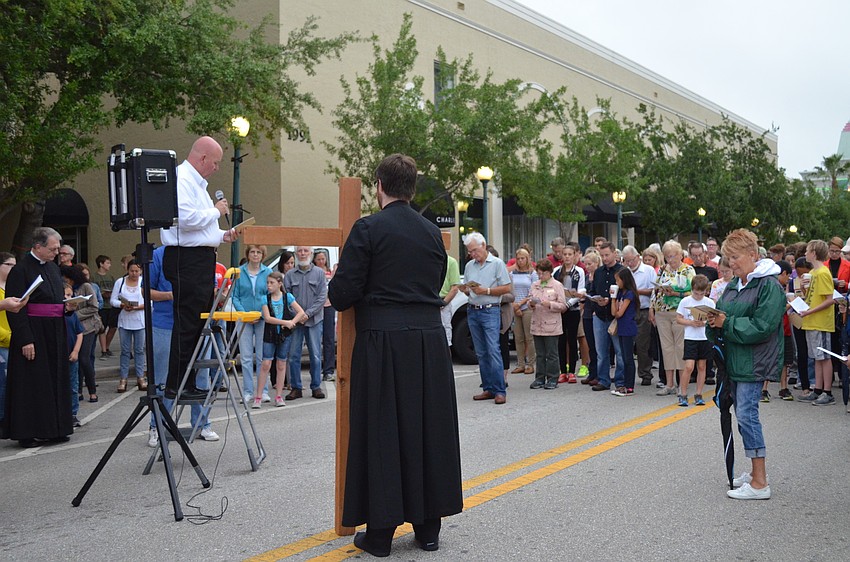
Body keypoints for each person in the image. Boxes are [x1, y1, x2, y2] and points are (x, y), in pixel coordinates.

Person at [328, 153, 462, 557]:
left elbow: (341, 294)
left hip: (383, 341)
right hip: (428, 341)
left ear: (379, 186)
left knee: (382, 429)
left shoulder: (367, 228)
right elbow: (436, 281)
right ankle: (428, 530)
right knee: (427, 430)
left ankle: (381, 534)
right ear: (413, 188)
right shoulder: (431, 233)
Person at [707, 229, 783, 500]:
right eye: (728, 258)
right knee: (743, 417)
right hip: (736, 361)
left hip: (754, 362)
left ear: (753, 255)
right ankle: (754, 473)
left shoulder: (769, 286)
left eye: (735, 257)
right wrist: (712, 320)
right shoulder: (734, 285)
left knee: (748, 417)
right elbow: (723, 313)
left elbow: (763, 326)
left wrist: (725, 322)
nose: (731, 263)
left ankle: (761, 483)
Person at [160, 136, 237, 401]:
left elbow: (200, 230)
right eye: (215, 163)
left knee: (196, 324)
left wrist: (222, 235)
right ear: (202, 158)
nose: (216, 168)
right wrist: (216, 211)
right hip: (186, 259)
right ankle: (178, 383)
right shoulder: (182, 178)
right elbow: (186, 219)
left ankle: (187, 380)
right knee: (188, 324)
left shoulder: (197, 184)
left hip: (197, 257)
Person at [3, 227, 73, 447]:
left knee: (55, 379)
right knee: (33, 383)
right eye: (52, 249)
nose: (56, 252)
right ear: (38, 247)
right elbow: (17, 308)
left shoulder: (52, 268)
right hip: (34, 332)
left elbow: (54, 298)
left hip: (55, 331)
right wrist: (25, 339)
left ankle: (56, 428)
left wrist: (67, 307)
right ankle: (29, 432)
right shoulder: (21, 270)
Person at [146, 245, 219, 448]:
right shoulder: (159, 254)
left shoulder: (202, 252)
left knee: (201, 377)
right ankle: (158, 426)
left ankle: (202, 423)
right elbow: (147, 291)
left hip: (197, 323)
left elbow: (211, 287)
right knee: (164, 378)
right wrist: (173, 295)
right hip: (166, 324)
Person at [462, 232, 512, 404]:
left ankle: (500, 390)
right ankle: (488, 388)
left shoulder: (497, 264)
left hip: (490, 309)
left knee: (492, 349)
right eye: (470, 251)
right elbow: (469, 285)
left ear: (483, 245)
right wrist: (466, 290)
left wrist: (487, 291)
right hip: (473, 309)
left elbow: (507, 288)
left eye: (475, 250)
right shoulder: (470, 266)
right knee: (481, 352)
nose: (473, 254)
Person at [652, 240, 695, 396]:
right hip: (662, 311)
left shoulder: (688, 270)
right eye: (667, 256)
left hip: (680, 311)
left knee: (680, 347)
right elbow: (655, 290)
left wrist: (675, 293)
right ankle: (669, 384)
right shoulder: (662, 270)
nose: (671, 259)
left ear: (680, 254)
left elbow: (694, 292)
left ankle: (681, 384)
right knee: (666, 348)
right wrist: (652, 308)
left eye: (673, 255)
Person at [284, 246, 328, 400]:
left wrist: (307, 314)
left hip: (314, 320)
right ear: (296, 254)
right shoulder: (289, 275)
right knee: (294, 356)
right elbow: (286, 298)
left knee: (315, 355)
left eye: (305, 251)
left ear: (311, 253)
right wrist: (297, 316)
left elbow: (322, 297)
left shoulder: (320, 273)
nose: (302, 253)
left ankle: (316, 386)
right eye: (300, 251)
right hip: (296, 323)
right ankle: (296, 388)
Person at [231, 244, 273, 403]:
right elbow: (235, 296)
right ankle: (247, 391)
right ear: (248, 254)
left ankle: (263, 391)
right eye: (253, 252)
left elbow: (270, 295)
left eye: (259, 252)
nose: (255, 255)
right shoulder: (239, 272)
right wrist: (245, 314)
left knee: (263, 356)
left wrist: (262, 313)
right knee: (246, 357)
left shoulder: (268, 272)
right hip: (244, 319)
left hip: (263, 318)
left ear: (263, 255)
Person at [258, 272, 306, 408]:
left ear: (280, 284)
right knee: (266, 363)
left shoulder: (287, 297)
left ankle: (278, 396)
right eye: (267, 283)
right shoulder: (265, 299)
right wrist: (286, 322)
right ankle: (258, 396)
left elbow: (301, 312)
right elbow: (267, 318)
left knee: (281, 364)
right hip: (270, 333)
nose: (269, 285)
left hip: (284, 334)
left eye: (271, 283)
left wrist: (293, 322)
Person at [797, 239, 836, 405]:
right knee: (817, 357)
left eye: (808, 250)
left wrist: (810, 311)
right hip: (811, 321)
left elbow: (830, 299)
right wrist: (804, 288)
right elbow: (811, 296)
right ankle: (818, 389)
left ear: (814, 253)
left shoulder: (823, 273)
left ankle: (827, 391)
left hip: (821, 322)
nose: (805, 253)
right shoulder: (813, 273)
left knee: (825, 357)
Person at [60, 264, 102, 402]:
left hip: (88, 327)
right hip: (73, 327)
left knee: (84, 358)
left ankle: (92, 391)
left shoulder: (86, 286)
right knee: (75, 360)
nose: (66, 281)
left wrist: (74, 313)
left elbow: (94, 307)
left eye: (67, 278)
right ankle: (78, 391)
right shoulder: (66, 288)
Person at [587, 242, 624, 392]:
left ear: (614, 253)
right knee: (601, 351)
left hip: (616, 315)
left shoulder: (622, 271)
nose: (605, 258)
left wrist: (612, 300)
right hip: (600, 315)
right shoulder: (598, 272)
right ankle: (603, 379)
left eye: (607, 255)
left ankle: (621, 380)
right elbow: (593, 290)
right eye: (602, 256)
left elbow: (627, 292)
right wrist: (597, 301)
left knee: (619, 351)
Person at [675, 275, 715, 406]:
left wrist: (705, 323)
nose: (698, 296)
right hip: (690, 337)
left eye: (701, 293)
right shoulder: (685, 301)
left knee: (702, 366)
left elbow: (714, 319)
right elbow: (678, 318)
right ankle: (683, 393)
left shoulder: (709, 302)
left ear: (706, 291)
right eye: (696, 293)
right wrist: (691, 322)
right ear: (692, 289)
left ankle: (698, 393)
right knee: (689, 366)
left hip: (704, 337)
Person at [528, 259, 566, 389]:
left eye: (543, 273)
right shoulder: (535, 285)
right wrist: (531, 304)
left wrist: (550, 304)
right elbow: (529, 300)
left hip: (551, 325)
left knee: (551, 353)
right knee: (540, 353)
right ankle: (539, 377)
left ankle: (553, 377)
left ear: (549, 272)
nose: (540, 276)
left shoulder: (557, 285)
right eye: (538, 273)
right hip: (537, 323)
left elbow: (563, 305)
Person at [111, 260, 147, 392]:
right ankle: (123, 379)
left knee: (139, 350)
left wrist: (137, 307)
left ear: (141, 271)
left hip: (140, 320)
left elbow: (150, 302)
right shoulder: (120, 282)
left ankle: (140, 377)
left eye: (137, 271)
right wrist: (122, 305)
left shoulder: (144, 282)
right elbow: (113, 300)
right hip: (125, 321)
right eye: (132, 271)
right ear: (127, 270)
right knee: (125, 351)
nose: (134, 274)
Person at [623, 245, 655, 385]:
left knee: (643, 344)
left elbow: (653, 290)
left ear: (637, 257)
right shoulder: (625, 271)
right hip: (628, 310)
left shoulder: (648, 270)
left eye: (632, 260)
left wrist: (637, 291)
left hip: (643, 308)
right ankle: (627, 373)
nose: (630, 263)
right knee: (628, 344)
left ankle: (645, 373)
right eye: (627, 261)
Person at [554, 244, 583, 383]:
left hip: (573, 309)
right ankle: (562, 371)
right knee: (561, 340)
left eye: (569, 254)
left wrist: (569, 304)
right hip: (559, 309)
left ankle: (572, 371)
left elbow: (580, 291)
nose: (567, 257)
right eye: (564, 254)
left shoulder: (579, 272)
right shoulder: (556, 271)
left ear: (574, 255)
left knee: (572, 340)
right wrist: (560, 305)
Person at [610, 267, 639, 396]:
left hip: (628, 327)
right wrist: (613, 298)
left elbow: (620, 313)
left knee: (628, 358)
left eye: (618, 280)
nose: (617, 283)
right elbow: (614, 312)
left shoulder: (629, 294)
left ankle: (629, 385)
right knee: (622, 355)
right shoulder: (621, 293)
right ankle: (623, 385)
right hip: (621, 328)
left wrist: (617, 307)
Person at [510, 248, 538, 374]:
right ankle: (520, 363)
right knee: (518, 337)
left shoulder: (532, 273)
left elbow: (533, 292)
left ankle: (530, 364)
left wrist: (521, 304)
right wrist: (514, 305)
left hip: (527, 307)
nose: (520, 261)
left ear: (527, 259)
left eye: (523, 258)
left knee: (529, 337)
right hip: (515, 307)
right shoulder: (512, 274)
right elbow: (510, 290)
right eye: (518, 258)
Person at [313, 250, 337, 382]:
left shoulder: (330, 272)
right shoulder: (314, 272)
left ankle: (328, 370)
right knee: (315, 339)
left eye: (323, 259)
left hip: (329, 306)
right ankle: (315, 370)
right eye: (319, 259)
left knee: (329, 339)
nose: (321, 261)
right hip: (316, 308)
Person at [63, 284, 84, 427]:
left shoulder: (73, 315)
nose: (69, 299)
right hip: (59, 354)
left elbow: (79, 333)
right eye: (66, 295)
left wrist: (76, 351)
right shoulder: (57, 315)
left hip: (71, 354)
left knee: (73, 385)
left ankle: (73, 413)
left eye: (71, 295)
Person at [91, 255, 118, 358]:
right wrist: (102, 294)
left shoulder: (111, 277)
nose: (109, 265)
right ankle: (103, 349)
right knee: (102, 327)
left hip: (111, 305)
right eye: (107, 263)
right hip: (102, 306)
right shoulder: (94, 277)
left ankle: (107, 346)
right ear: (101, 264)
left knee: (113, 327)